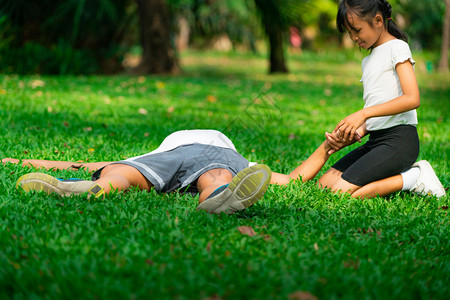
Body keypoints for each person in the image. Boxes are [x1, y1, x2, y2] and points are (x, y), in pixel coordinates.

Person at [2, 129, 445, 216]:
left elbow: (293, 179)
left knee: (122, 172)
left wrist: (328, 147)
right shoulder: (222, 151)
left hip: (204, 158)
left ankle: (88, 189)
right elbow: (292, 179)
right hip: (205, 159)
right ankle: (218, 197)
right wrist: (15, 162)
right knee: (124, 170)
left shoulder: (225, 152)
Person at [317, 0, 446, 198]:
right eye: (349, 32)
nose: (353, 37)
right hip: (376, 141)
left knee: (340, 193)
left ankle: (415, 177)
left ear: (378, 20)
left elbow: (412, 98)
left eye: (357, 30)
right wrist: (355, 131)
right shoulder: (367, 60)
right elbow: (378, 109)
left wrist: (362, 113)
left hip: (399, 142)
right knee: (323, 185)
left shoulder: (397, 47)